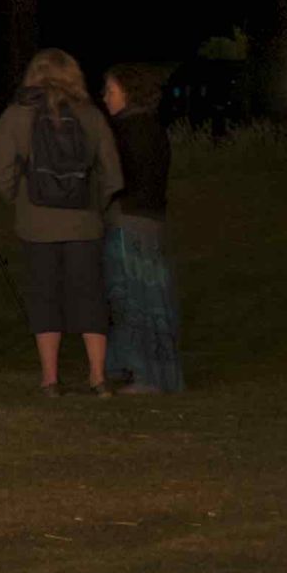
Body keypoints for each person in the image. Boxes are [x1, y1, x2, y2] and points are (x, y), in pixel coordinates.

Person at [0, 45, 127, 394]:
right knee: (90, 296)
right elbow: (113, 175)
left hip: (36, 224)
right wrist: (96, 207)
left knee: (44, 296)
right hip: (84, 222)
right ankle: (98, 377)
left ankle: (50, 379)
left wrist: (19, 200)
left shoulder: (16, 115)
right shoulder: (91, 116)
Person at [100, 59, 185, 394]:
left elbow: (118, 178)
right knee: (138, 295)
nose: (105, 97)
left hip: (131, 220)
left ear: (128, 92)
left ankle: (146, 373)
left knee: (135, 297)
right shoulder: (150, 127)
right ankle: (135, 365)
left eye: (110, 90)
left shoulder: (129, 131)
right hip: (147, 219)